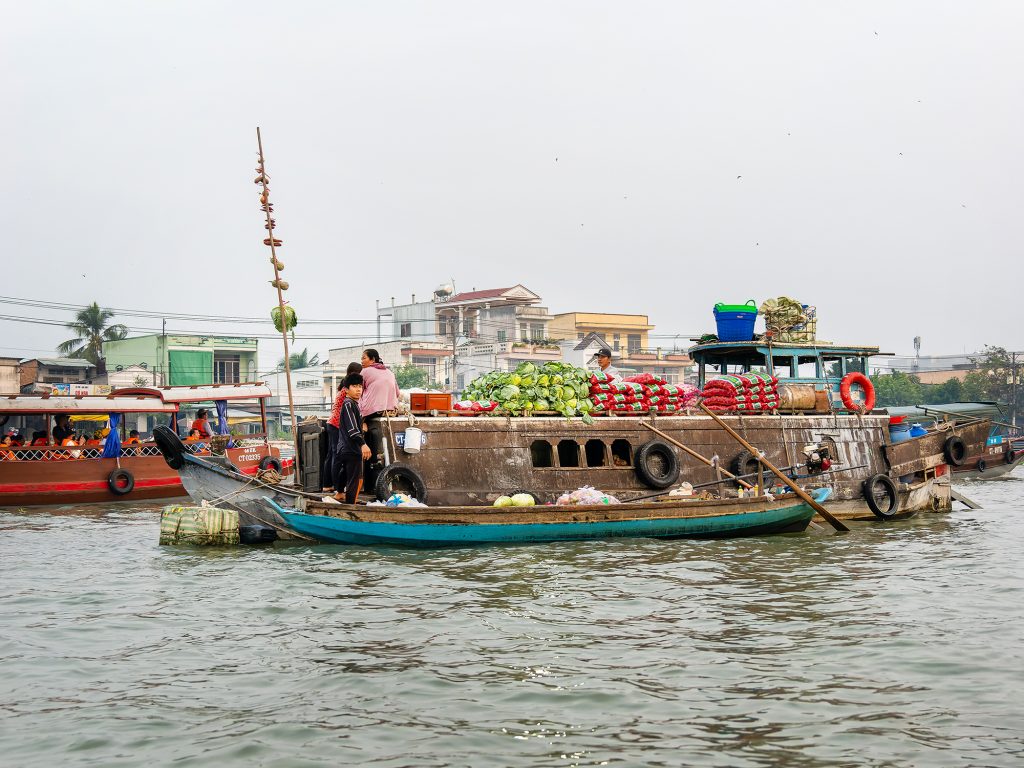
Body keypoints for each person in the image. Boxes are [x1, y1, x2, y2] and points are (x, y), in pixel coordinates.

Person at [323, 362, 362, 493]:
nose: (358, 388)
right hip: (335, 424)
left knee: (331, 455)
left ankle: (328, 485)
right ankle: (335, 486)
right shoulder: (347, 391)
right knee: (336, 456)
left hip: (331, 423)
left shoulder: (344, 386)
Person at [358, 349, 400, 470]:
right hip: (391, 409)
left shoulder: (365, 371)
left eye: (364, 358)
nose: (362, 361)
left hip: (373, 409)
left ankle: (366, 458)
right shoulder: (390, 372)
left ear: (373, 359)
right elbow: (397, 392)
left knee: (359, 427)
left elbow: (359, 391)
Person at [334, 373, 371, 504]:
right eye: (354, 386)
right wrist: (363, 444)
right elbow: (352, 430)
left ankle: (339, 494)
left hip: (345, 448)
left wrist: (362, 425)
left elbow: (354, 425)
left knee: (346, 473)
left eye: (360, 386)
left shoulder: (353, 404)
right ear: (347, 389)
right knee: (356, 480)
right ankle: (351, 507)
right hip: (351, 448)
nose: (358, 389)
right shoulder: (348, 404)